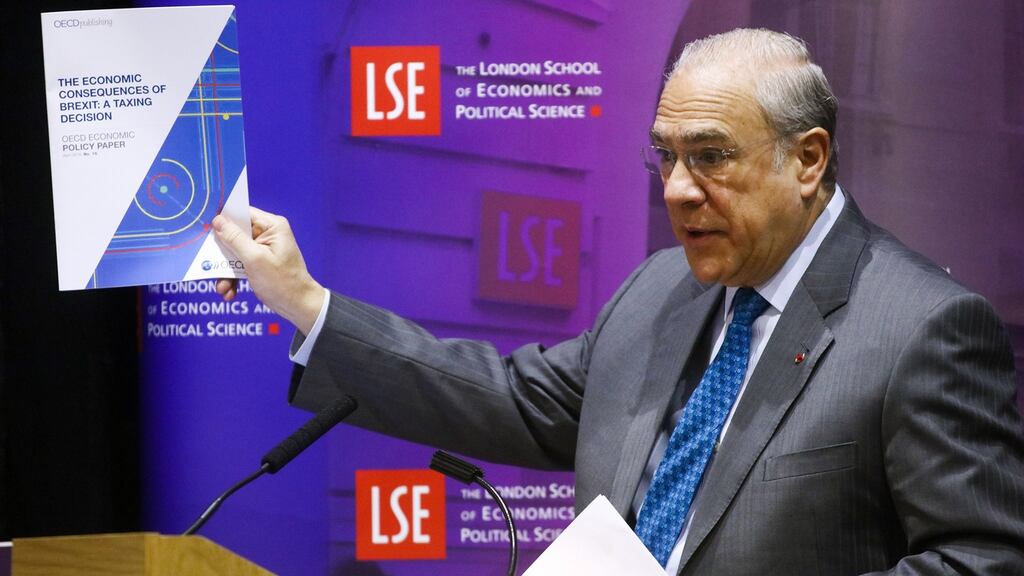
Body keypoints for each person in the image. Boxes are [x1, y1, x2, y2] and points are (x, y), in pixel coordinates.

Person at [213, 28, 1024, 575]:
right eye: (664, 157)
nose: (676, 191)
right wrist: (306, 302)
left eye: (710, 157)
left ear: (807, 159)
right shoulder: (657, 287)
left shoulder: (922, 329)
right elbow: (512, 401)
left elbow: (984, 559)